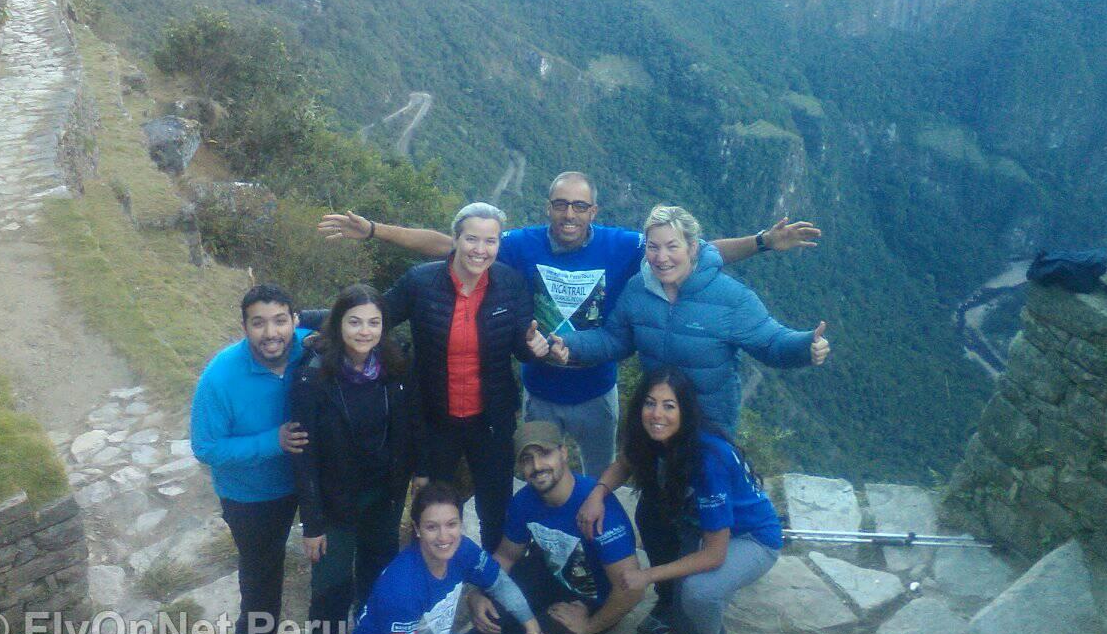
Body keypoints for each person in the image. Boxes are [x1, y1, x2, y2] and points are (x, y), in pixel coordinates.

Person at [318, 171, 820, 477]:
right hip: (539, 390)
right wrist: (374, 231)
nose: (569, 213)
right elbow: (449, 244)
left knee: (599, 480)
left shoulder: (623, 245)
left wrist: (761, 242)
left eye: (580, 205)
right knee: (537, 475)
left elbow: (692, 252)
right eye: (561, 204)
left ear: (593, 210)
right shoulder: (521, 244)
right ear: (549, 207)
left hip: (598, 391)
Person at [539, 204, 830, 436]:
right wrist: (569, 343)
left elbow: (771, 342)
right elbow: (615, 340)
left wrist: (806, 346)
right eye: (653, 247)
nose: (661, 257)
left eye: (672, 246)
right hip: (658, 425)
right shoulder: (638, 290)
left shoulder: (730, 298)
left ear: (693, 248)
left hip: (709, 428)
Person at [578, 368, 785, 634]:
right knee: (649, 513)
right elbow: (624, 463)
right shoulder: (653, 437)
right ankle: (669, 600)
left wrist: (647, 575)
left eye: (669, 406)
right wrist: (597, 494)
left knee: (699, 594)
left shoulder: (708, 460)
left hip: (751, 537)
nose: (656, 414)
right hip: (699, 524)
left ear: (685, 412)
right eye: (650, 403)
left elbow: (714, 555)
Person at [380, 202, 535, 552]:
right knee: (434, 505)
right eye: (472, 239)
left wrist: (534, 347)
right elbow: (374, 315)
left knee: (496, 506)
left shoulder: (510, 284)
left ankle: (494, 572)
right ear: (455, 239)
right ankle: (431, 571)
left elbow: (522, 347)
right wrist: (311, 321)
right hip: (436, 419)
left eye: (490, 241)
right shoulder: (421, 282)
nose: (480, 250)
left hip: (490, 419)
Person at [290, 283, 419, 634]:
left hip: (383, 497)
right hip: (334, 503)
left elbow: (407, 428)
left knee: (377, 580)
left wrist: (414, 477)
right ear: (338, 325)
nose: (365, 331)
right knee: (330, 590)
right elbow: (304, 456)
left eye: (373, 322)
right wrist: (312, 524)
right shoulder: (312, 376)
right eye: (355, 322)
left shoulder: (395, 368)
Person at [191, 284, 313, 634]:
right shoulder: (219, 377)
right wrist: (273, 441)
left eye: (280, 321)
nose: (271, 333)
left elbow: (352, 318)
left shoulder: (311, 346)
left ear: (295, 320)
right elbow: (206, 447)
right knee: (261, 565)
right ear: (244, 327)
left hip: (311, 477)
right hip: (251, 492)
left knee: (328, 546)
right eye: (258, 323)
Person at [468, 421, 645, 634]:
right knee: (486, 625)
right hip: (551, 576)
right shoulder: (524, 501)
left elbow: (631, 590)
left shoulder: (600, 509)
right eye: (527, 459)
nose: (537, 466)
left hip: (593, 601)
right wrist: (476, 592)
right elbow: (506, 556)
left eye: (545, 454)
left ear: (563, 452)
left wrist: (590, 626)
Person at [343, 482, 550, 634]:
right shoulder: (401, 588)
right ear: (417, 529)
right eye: (432, 527)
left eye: (451, 524)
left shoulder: (463, 550)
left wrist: (533, 631)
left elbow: (500, 583)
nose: (444, 537)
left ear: (461, 523)